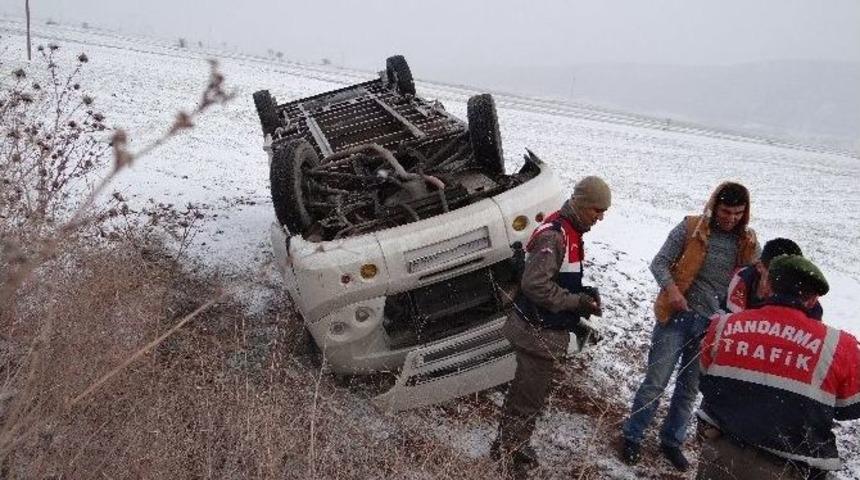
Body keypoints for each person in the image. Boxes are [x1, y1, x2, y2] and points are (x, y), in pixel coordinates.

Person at [621, 182, 759, 471]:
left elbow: (756, 284)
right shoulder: (691, 228)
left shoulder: (747, 244)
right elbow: (659, 263)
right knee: (656, 383)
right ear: (714, 206)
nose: (730, 218)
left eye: (737, 213)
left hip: (713, 328)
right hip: (676, 318)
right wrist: (673, 292)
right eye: (725, 211)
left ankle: (671, 442)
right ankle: (632, 436)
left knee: (689, 390)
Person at [696, 255, 860, 480]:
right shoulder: (840, 346)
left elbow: (705, 377)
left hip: (721, 456)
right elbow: (849, 409)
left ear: (767, 286)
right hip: (789, 469)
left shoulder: (724, 326)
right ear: (812, 300)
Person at [491, 176, 610, 473]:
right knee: (527, 400)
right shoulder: (555, 235)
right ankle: (511, 459)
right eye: (597, 210)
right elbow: (536, 287)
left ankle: (505, 445)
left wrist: (583, 294)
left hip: (542, 329)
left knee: (523, 394)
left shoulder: (569, 230)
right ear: (582, 205)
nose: (601, 217)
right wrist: (577, 303)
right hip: (537, 332)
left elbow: (557, 279)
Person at [727, 237, 822, 319]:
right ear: (759, 266)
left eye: (789, 277)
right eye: (774, 275)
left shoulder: (808, 302)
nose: (781, 283)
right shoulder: (740, 281)